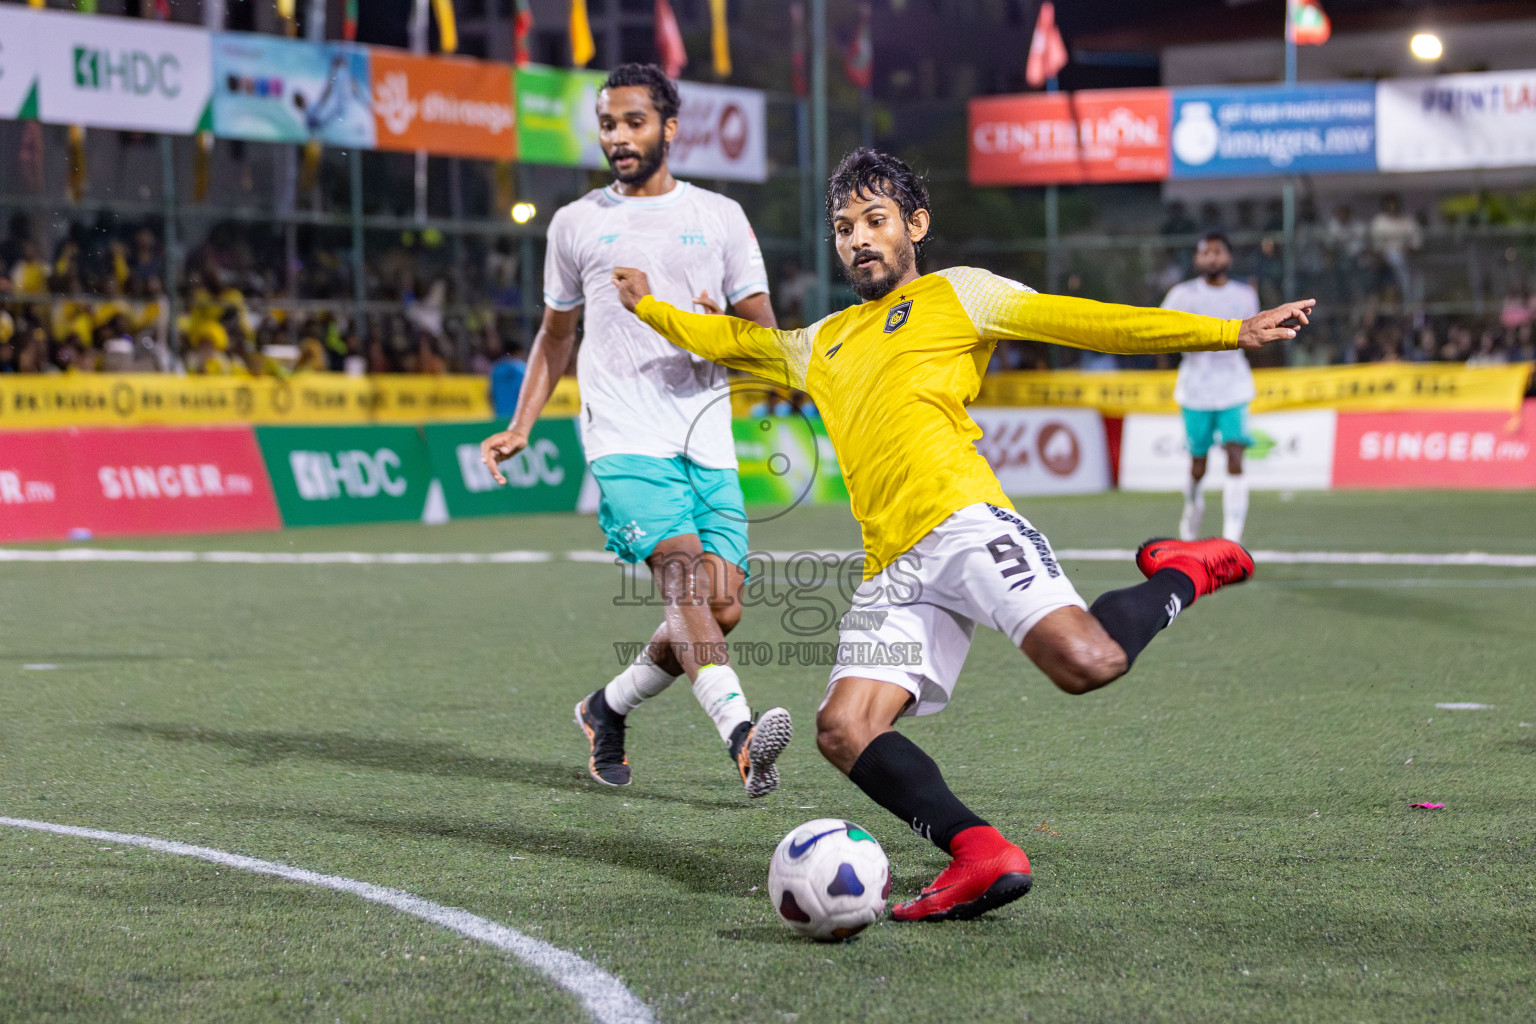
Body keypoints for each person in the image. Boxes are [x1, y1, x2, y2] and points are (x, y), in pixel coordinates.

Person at [611, 148, 1314, 922]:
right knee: (844, 729)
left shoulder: (961, 295)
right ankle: (981, 852)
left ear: (916, 224)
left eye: (875, 221)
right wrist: (648, 307)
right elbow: (734, 342)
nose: (858, 240)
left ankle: (1183, 570)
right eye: (844, 228)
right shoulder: (823, 342)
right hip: (894, 570)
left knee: (1088, 660)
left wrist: (1226, 332)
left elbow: (1080, 320)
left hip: (964, 522)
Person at [477, 64, 792, 798]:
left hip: (706, 436)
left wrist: (715, 327)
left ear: (669, 128)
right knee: (681, 578)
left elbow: (768, 341)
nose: (618, 137)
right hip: (622, 435)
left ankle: (605, 707)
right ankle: (744, 741)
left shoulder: (721, 217)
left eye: (634, 122)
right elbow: (556, 336)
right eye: (609, 124)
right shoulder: (576, 222)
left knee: (722, 607)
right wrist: (520, 424)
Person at [1161, 233, 1261, 543]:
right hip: (1195, 389)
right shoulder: (1182, 294)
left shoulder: (1245, 295)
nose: (1212, 258)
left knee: (1235, 456)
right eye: (1206, 253)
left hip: (1233, 387)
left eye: (1218, 252)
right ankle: (1193, 504)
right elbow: (1160, 331)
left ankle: (1232, 537)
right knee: (1198, 463)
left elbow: (1254, 337)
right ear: (1196, 259)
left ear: (1229, 258)